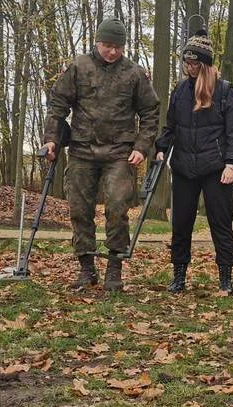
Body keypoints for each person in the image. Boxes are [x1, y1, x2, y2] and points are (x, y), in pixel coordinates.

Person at [42, 17, 160, 293]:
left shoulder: (135, 74)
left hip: (120, 152)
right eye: (107, 45)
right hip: (82, 150)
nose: (112, 51)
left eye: (118, 46)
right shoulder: (78, 67)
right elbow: (58, 104)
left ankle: (114, 269)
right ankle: (86, 268)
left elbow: (150, 112)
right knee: (79, 209)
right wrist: (51, 140)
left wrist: (142, 147)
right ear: (97, 41)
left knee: (117, 208)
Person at [155, 29, 233, 294]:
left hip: (216, 168)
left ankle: (225, 276)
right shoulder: (180, 91)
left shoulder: (225, 91)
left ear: (206, 64)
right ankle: (179, 274)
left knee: (220, 223)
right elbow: (171, 126)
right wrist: (162, 148)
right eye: (187, 62)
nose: (190, 67)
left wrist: (232, 164)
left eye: (195, 63)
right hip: (184, 166)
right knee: (181, 223)